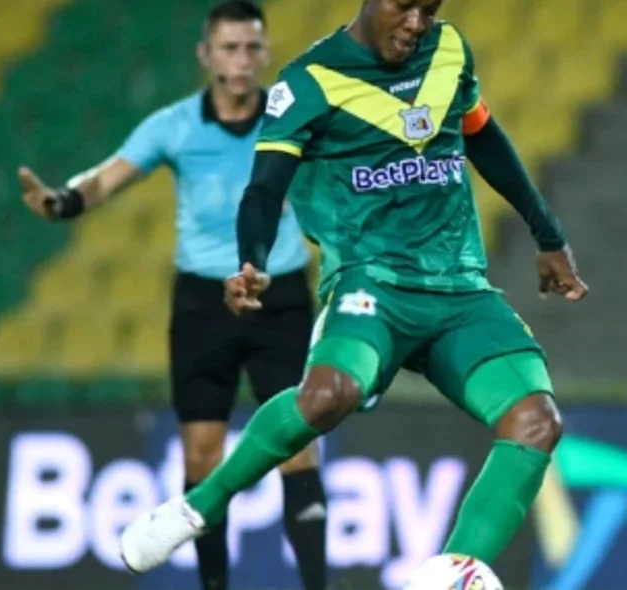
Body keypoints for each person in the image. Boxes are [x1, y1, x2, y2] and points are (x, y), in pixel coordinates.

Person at [118, 0, 589, 579]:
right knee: (327, 396)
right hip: (372, 284)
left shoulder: (449, 51)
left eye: (429, 8)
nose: (416, 23)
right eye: (403, 7)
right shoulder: (309, 84)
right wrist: (252, 261)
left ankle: (450, 573)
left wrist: (548, 234)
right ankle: (201, 507)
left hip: (459, 288)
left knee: (537, 420)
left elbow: (483, 136)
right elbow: (264, 191)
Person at [17, 3, 326, 589]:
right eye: (229, 48)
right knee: (202, 454)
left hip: (279, 294)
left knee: (298, 446)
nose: (241, 60)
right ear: (205, 56)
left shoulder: (291, 121)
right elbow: (107, 176)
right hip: (203, 303)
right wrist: (62, 201)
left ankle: (316, 583)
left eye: (251, 48)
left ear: (265, 53)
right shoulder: (175, 126)